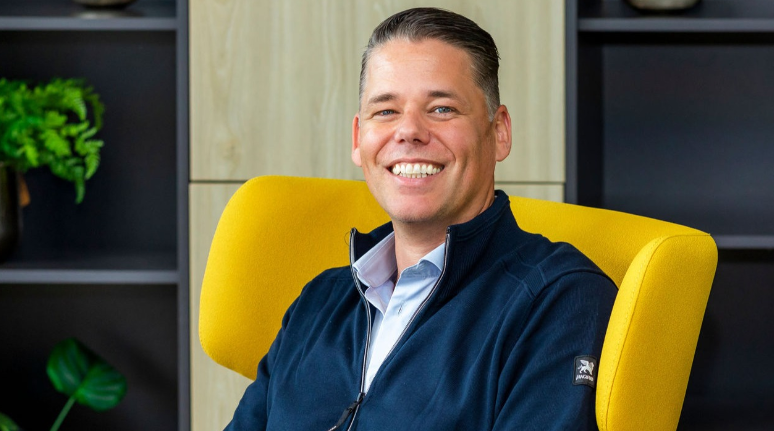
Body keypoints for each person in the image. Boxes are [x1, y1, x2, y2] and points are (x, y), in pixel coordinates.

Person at [226, 7, 616, 431]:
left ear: (499, 132)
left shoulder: (560, 300)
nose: (409, 131)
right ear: (359, 139)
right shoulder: (318, 302)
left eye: (442, 109)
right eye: (385, 111)